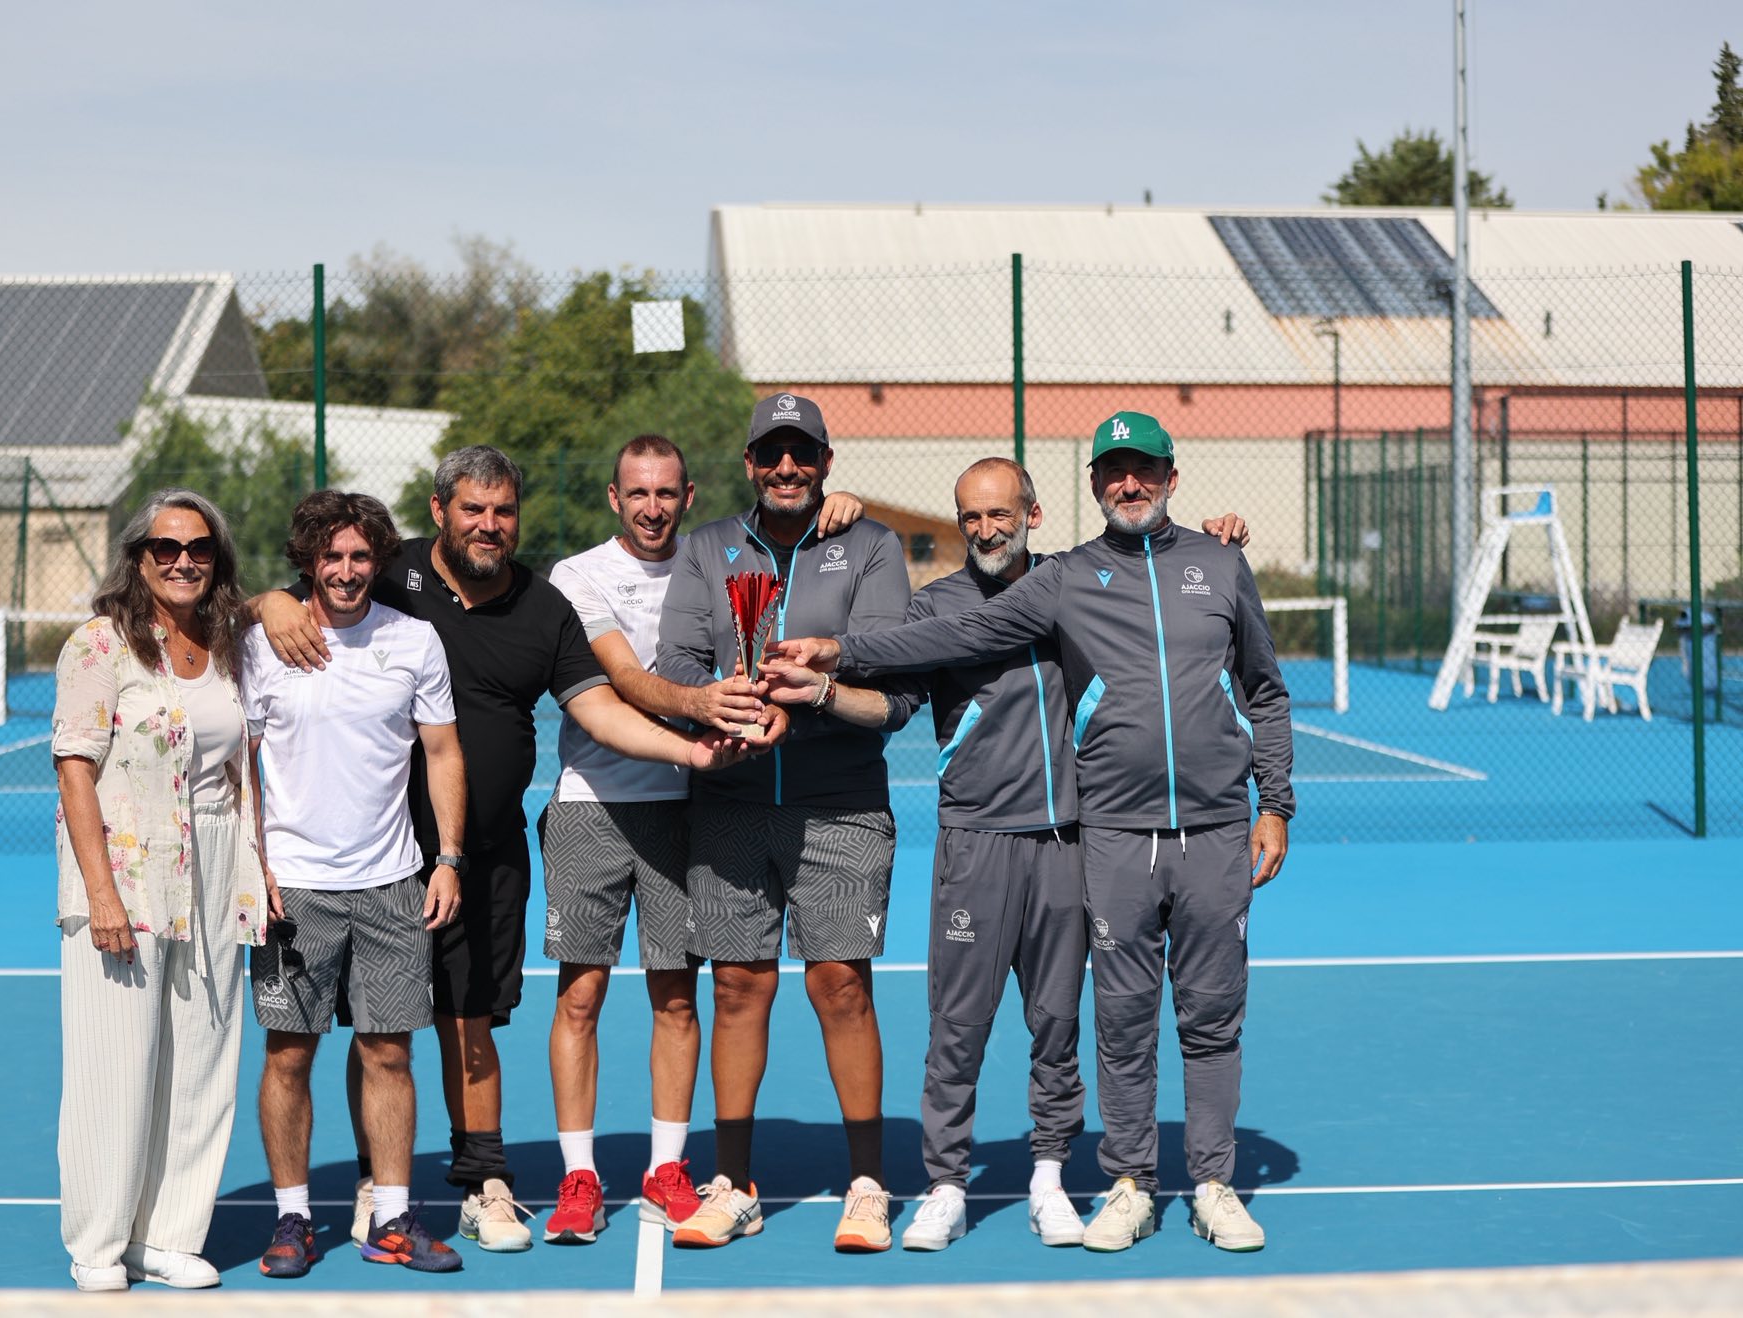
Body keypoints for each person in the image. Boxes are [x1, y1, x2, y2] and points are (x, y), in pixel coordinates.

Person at [775, 411, 1293, 1255]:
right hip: (1045, 838)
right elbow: (950, 635)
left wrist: (1276, 801)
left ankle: (1145, 1179)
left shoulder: (1156, 571)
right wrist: (840, 653)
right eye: (1116, 471)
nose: (1132, 483)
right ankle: (1036, 1183)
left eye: (1145, 469)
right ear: (1094, 485)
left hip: (1146, 836)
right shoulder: (1022, 588)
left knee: (1140, 1023)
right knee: (1033, 1024)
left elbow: (1259, 682)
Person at [251, 445, 751, 1255]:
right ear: (440, 508)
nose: (490, 525)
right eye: (474, 509)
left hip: (480, 853)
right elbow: (314, 582)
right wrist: (267, 603)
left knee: (471, 1017)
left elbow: (593, 705)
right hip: (375, 858)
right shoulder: (389, 571)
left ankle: (484, 1180)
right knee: (378, 1033)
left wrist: (691, 751)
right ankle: (380, 1186)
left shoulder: (543, 606)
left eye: (504, 511)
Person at [537, 435, 847, 1243]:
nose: (652, 508)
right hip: (592, 805)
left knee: (677, 994)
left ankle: (667, 1168)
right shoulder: (578, 576)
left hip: (691, 810)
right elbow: (623, 679)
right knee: (581, 993)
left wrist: (840, 513)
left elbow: (794, 549)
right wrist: (706, 706)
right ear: (614, 498)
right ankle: (578, 1176)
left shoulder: (710, 562)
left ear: (688, 494)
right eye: (637, 493)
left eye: (667, 494)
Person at [655, 392, 921, 1253]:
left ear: (825, 461)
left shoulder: (871, 546)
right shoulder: (706, 549)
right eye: (771, 453)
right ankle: (734, 1183)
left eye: (801, 453)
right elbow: (680, 662)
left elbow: (886, 667)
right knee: (736, 987)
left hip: (840, 803)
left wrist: (803, 703)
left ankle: (869, 1184)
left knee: (840, 983)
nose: (786, 468)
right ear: (748, 465)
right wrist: (726, 708)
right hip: (731, 801)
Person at [242, 491, 465, 1279]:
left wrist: (449, 857)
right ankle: (294, 1220)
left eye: (361, 556)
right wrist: (253, 862)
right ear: (306, 561)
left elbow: (441, 752)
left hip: (394, 884)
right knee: (289, 1057)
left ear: (380, 560)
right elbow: (243, 765)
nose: (346, 571)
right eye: (330, 557)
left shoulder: (415, 641)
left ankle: (395, 1219)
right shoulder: (262, 641)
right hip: (291, 892)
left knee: (390, 1053)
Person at [52, 488, 267, 1292]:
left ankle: (171, 1234)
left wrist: (259, 868)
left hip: (218, 866)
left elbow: (245, 769)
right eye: (166, 548)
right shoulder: (100, 646)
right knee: (116, 1063)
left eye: (200, 548)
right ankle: (100, 1243)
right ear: (138, 558)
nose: (183, 561)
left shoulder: (231, 643)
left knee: (205, 1056)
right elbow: (75, 769)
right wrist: (102, 895)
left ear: (218, 560)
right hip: (129, 870)